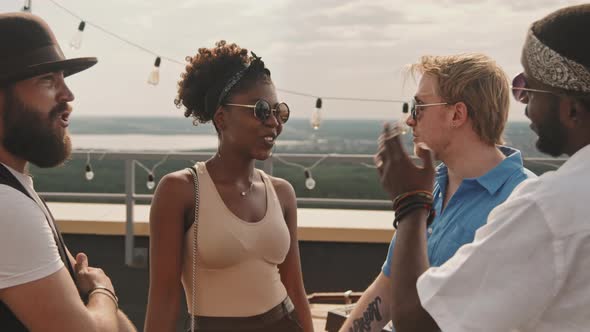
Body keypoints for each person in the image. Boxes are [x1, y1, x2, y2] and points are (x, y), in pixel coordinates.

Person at [376, 4, 590, 332]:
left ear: (573, 110)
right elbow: (386, 293)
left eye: (529, 88)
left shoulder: (543, 209)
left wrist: (410, 203)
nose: (524, 104)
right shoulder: (437, 185)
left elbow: (417, 322)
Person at [340, 53, 535, 332]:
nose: (409, 120)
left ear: (457, 114)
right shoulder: (429, 186)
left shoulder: (521, 202)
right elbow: (388, 287)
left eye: (418, 107)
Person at [144, 41, 313, 332]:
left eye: (279, 111)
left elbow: (296, 290)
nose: (274, 122)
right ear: (222, 117)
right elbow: (163, 300)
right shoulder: (181, 191)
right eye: (261, 110)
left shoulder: (282, 193)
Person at [0, 13, 136, 332]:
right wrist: (103, 290)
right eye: (48, 80)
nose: (68, 95)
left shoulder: (17, 190)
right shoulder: (7, 205)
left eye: (64, 77)